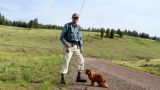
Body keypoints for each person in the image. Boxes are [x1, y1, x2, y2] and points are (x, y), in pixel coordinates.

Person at [59, 13, 87, 85]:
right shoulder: (67, 25)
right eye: (74, 17)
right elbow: (61, 37)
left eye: (77, 18)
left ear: (78, 19)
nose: (75, 19)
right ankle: (63, 79)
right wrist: (66, 43)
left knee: (81, 61)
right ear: (72, 18)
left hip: (76, 47)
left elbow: (80, 38)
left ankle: (79, 77)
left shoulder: (79, 27)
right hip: (68, 46)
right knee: (66, 61)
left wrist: (81, 47)